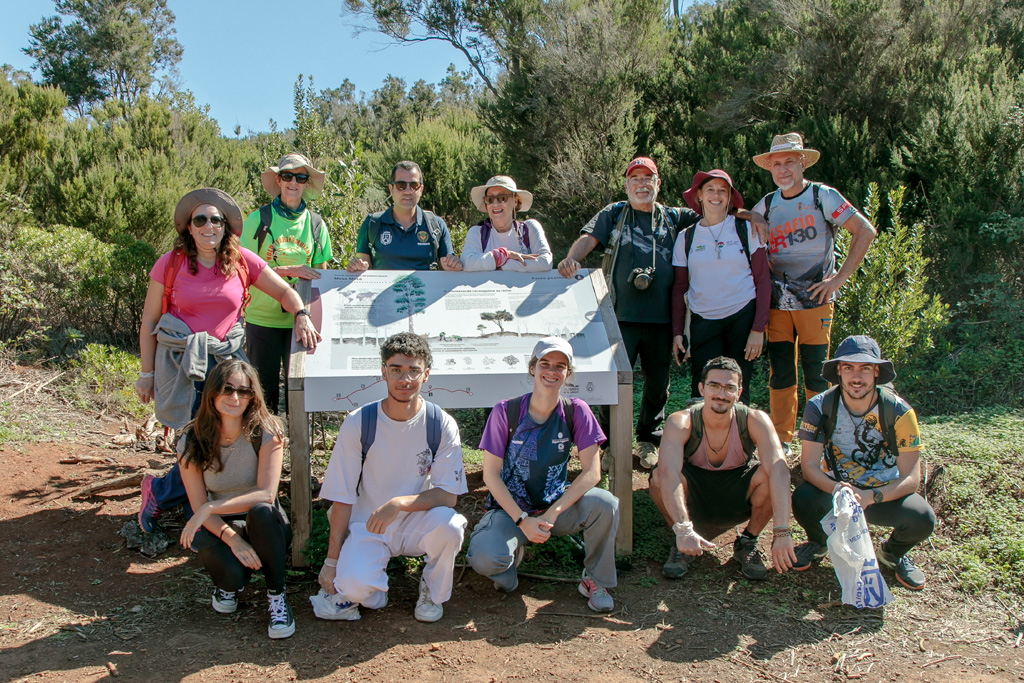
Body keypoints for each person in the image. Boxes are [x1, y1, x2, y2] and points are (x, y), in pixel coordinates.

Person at [558, 156, 767, 470]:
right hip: (619, 315)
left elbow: (715, 209)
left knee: (658, 383)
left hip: (661, 319)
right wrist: (571, 259)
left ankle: (648, 439)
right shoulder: (615, 213)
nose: (642, 184)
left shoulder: (674, 217)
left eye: (648, 178)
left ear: (658, 183)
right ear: (626, 185)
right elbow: (590, 238)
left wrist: (752, 215)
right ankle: (608, 443)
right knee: (612, 380)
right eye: (635, 179)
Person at [135, 188, 321, 533]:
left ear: (225, 226)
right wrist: (146, 373)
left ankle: (199, 503)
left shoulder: (241, 260)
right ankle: (164, 496)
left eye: (216, 220)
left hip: (227, 364)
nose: (209, 226)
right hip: (185, 365)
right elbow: (149, 321)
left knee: (230, 435)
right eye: (200, 220)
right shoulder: (170, 263)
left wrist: (301, 314)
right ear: (189, 227)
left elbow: (284, 291)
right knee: (199, 439)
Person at [311, 332, 468, 623]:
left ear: (426, 374)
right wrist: (331, 562)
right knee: (353, 588)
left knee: (451, 526)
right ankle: (371, 591)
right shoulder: (360, 422)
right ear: (383, 372)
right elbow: (342, 495)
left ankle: (432, 591)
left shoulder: (440, 423)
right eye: (396, 369)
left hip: (416, 521)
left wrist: (398, 503)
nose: (404, 379)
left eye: (413, 370)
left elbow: (449, 495)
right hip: (367, 524)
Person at [466, 337, 618, 612]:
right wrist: (522, 520)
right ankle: (508, 570)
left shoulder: (576, 411)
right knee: (484, 557)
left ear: (568, 373)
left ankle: (595, 580)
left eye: (560, 366)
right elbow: (490, 476)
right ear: (532, 368)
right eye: (545, 363)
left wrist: (553, 513)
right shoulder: (506, 411)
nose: (552, 371)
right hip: (511, 511)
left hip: (554, 507)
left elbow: (592, 472)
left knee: (605, 503)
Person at [751, 133, 876, 452]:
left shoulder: (823, 196)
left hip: (816, 303)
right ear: (769, 168)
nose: (783, 169)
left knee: (818, 373)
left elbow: (865, 231)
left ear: (802, 163)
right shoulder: (766, 203)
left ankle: (820, 436)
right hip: (777, 306)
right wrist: (750, 216)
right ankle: (782, 438)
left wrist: (838, 280)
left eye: (789, 162)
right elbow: (740, 224)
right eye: (776, 164)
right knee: (780, 372)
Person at [791, 335, 935, 590]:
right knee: (803, 498)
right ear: (838, 371)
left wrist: (871, 496)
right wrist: (839, 489)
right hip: (837, 494)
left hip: (882, 495)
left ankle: (892, 553)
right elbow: (809, 466)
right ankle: (818, 543)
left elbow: (911, 478)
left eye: (865, 368)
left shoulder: (900, 412)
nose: (856, 377)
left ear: (877, 372)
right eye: (848, 367)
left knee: (922, 517)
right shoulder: (819, 406)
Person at [176, 360, 294, 639]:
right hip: (220, 525)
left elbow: (266, 494)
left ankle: (277, 596)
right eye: (228, 389)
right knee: (231, 576)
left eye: (244, 391)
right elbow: (197, 505)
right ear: (212, 391)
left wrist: (210, 506)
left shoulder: (267, 430)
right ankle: (229, 584)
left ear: (253, 396)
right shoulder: (191, 438)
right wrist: (233, 539)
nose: (235, 397)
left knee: (262, 510)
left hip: (263, 522)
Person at [649, 356, 796, 580]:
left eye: (729, 388)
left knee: (772, 471)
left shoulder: (755, 419)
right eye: (714, 386)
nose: (721, 394)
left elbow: (780, 469)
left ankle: (748, 541)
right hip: (693, 497)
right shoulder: (681, 421)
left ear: (739, 392)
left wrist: (782, 531)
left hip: (737, 494)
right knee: (659, 477)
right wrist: (683, 528)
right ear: (702, 388)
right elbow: (668, 473)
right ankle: (681, 539)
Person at [241, 152, 333, 415]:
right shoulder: (257, 220)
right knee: (262, 395)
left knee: (300, 396)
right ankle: (265, 440)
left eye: (300, 177)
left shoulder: (316, 225)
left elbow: (321, 277)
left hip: (300, 324)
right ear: (278, 180)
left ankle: (296, 442)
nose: (293, 182)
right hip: (262, 320)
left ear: (306, 183)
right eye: (287, 176)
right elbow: (244, 270)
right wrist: (287, 270)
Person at [672, 169, 770, 405]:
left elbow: (763, 280)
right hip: (703, 319)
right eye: (710, 190)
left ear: (729, 197)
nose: (716, 195)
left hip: (742, 316)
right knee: (702, 388)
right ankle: (701, 430)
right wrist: (677, 332)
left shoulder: (746, 229)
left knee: (738, 387)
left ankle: (738, 429)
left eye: (722, 191)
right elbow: (679, 287)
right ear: (699, 196)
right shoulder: (685, 237)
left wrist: (758, 329)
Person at [346, 161, 462, 272]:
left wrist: (452, 265)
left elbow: (446, 266)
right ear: (391, 189)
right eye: (401, 185)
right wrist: (358, 266)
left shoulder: (436, 225)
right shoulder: (372, 224)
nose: (407, 191)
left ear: (421, 189)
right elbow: (362, 264)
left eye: (414, 185)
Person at [461, 175, 553, 272]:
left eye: (502, 198)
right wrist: (504, 255)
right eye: (489, 199)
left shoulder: (529, 228)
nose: (495, 204)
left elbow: (545, 262)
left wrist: (502, 266)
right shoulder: (477, 232)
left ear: (515, 201)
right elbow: (467, 264)